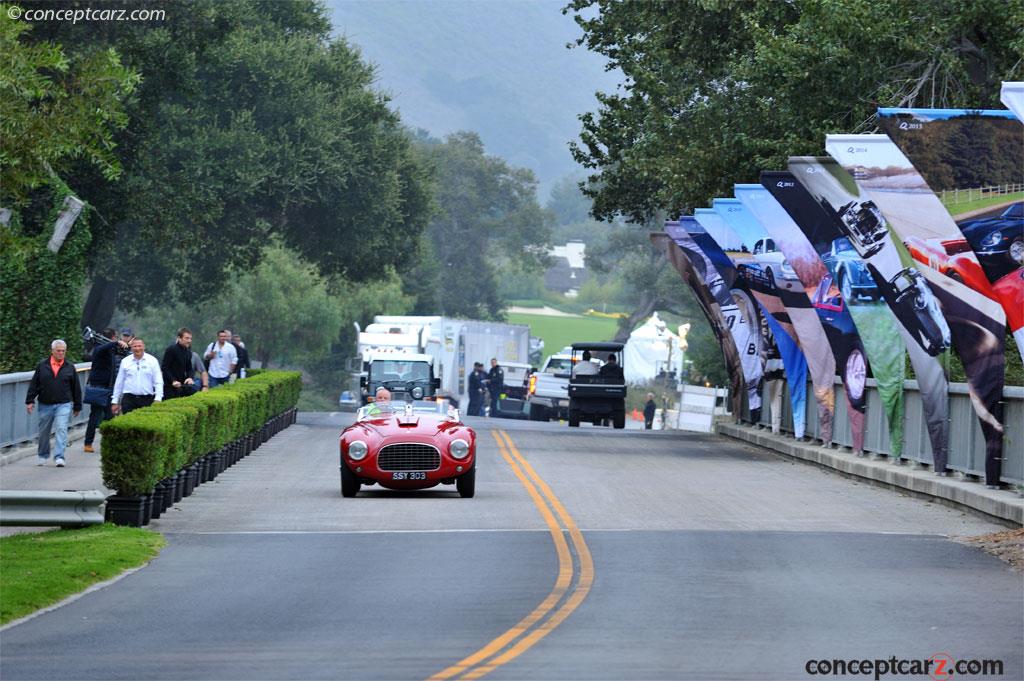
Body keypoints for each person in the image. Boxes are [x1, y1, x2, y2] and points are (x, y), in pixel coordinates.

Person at [25, 340, 82, 467]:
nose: (61, 353)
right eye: (58, 351)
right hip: (45, 404)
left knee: (61, 428)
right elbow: (35, 384)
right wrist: (30, 401)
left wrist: (77, 405)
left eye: (63, 351)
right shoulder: (42, 366)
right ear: (52, 351)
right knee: (44, 432)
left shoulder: (69, 367)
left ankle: (59, 456)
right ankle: (43, 455)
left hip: (64, 404)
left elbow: (76, 388)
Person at [83, 327, 129, 452]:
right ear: (113, 337)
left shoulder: (110, 349)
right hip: (99, 388)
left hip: (109, 388)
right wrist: (116, 343)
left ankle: (109, 444)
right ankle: (88, 443)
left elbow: (123, 353)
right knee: (95, 415)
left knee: (109, 416)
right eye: (116, 338)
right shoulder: (99, 348)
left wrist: (126, 346)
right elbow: (103, 349)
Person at [111, 337, 163, 414]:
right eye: (135, 346)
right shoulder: (125, 361)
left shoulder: (152, 361)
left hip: (147, 399)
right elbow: (119, 382)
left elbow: (158, 381)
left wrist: (158, 398)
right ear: (131, 348)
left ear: (144, 347)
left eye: (139, 346)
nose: (137, 348)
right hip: (129, 399)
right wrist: (115, 401)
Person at [161, 327, 195, 400]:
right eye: (187, 338)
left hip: (181, 386)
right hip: (169, 386)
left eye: (190, 338)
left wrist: (190, 377)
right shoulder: (171, 349)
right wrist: (173, 380)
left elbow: (189, 368)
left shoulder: (188, 352)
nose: (189, 341)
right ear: (179, 338)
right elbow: (165, 367)